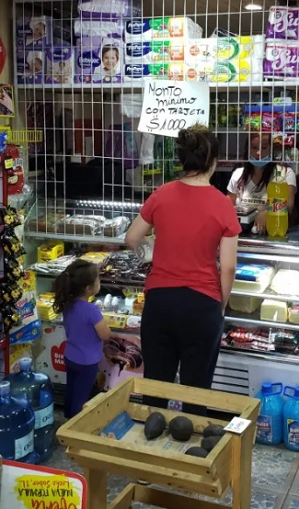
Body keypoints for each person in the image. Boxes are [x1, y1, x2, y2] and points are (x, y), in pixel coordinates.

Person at [125, 124, 241, 415]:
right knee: (196, 392)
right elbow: (227, 266)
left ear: (182, 159)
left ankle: (151, 451)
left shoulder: (161, 194)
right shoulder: (222, 204)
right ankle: (190, 454)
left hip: (160, 304)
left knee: (156, 389)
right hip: (202, 306)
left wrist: (148, 255)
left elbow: (131, 238)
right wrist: (221, 304)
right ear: (213, 160)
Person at [52, 260, 112, 419]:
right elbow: (104, 334)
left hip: (70, 355)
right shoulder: (91, 310)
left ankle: (67, 417)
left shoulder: (68, 303)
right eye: (98, 280)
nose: (100, 282)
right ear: (88, 288)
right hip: (87, 362)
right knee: (81, 395)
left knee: (71, 388)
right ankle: (75, 426)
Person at [227, 132, 296, 234]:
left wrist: (269, 212)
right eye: (254, 147)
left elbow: (289, 206)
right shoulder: (238, 174)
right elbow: (228, 206)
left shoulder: (284, 173)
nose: (258, 153)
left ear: (271, 149)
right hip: (241, 233)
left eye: (264, 147)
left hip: (273, 232)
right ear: (247, 149)